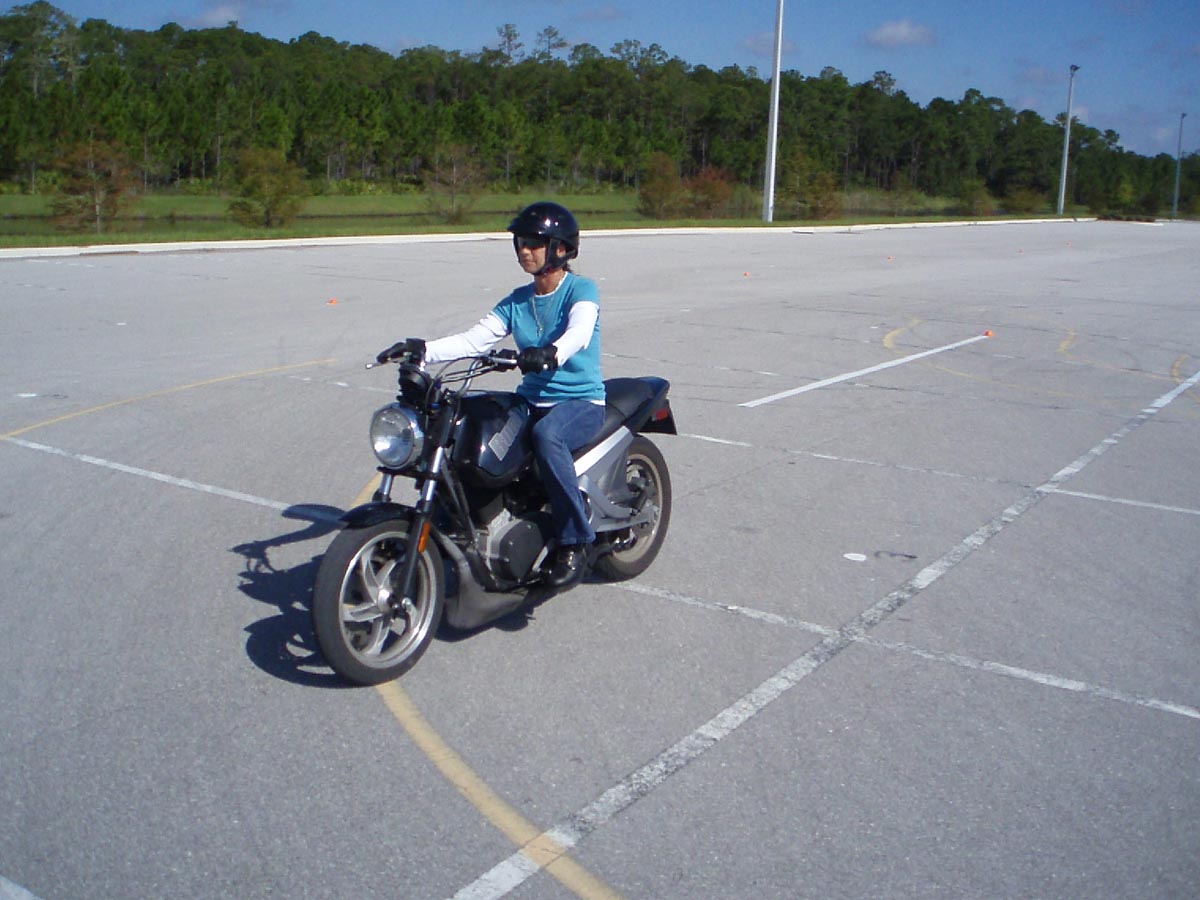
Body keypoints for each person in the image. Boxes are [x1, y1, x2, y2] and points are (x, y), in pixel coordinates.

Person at [422, 201, 605, 589]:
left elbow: (580, 332)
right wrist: (421, 350)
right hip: (530, 400)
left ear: (560, 248)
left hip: (580, 401)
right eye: (521, 242)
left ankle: (575, 540)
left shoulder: (581, 290)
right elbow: (474, 340)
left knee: (547, 435)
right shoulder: (518, 300)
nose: (524, 250)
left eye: (534, 243)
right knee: (470, 424)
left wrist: (552, 353)